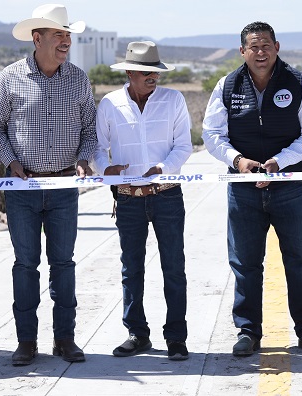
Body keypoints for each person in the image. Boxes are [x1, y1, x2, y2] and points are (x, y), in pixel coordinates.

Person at [0, 4, 96, 365]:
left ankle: (65, 339)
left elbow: (90, 130)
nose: (66, 41)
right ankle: (26, 342)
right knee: (25, 265)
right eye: (59, 35)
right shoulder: (9, 77)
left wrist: (82, 159)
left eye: (68, 35)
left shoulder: (78, 79)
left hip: (64, 186)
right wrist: (12, 162)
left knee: (63, 264)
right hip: (22, 189)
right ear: (38, 38)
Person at [202, 21, 302, 357]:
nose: (260, 52)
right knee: (245, 263)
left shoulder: (298, 83)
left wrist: (280, 162)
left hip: (290, 186)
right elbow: (211, 135)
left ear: (277, 47)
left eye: (266, 45)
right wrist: (238, 160)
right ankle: (247, 332)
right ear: (242, 51)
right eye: (253, 46)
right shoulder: (227, 85)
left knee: (300, 260)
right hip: (243, 188)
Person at [94, 41, 193, 361]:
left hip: (166, 196)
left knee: (174, 268)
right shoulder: (110, 104)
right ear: (129, 73)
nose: (153, 77)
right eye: (146, 72)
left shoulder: (173, 99)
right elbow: (97, 147)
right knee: (131, 268)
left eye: (156, 71)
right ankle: (137, 334)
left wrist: (162, 169)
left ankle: (176, 337)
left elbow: (184, 147)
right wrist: (104, 169)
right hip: (127, 200)